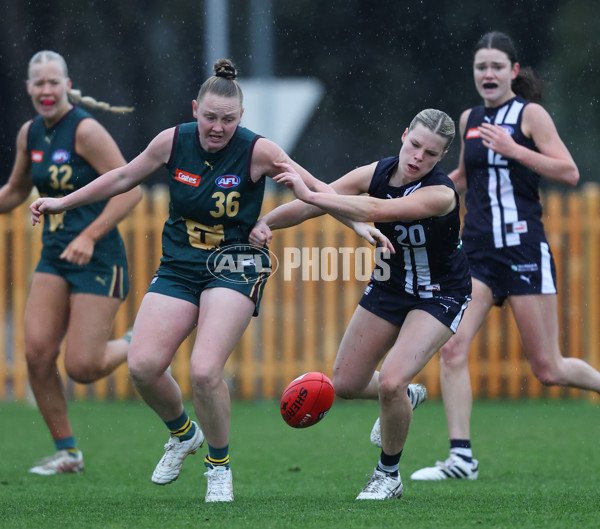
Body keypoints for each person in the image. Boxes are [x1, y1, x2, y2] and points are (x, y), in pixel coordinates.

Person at [30, 58, 389, 502]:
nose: (217, 128)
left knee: (203, 370)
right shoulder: (172, 142)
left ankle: (218, 466)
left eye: (228, 120)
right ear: (195, 108)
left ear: (241, 118)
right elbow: (122, 177)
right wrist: (62, 202)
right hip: (179, 267)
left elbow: (317, 189)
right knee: (142, 366)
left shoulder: (259, 151)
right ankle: (183, 434)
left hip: (235, 267)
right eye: (210, 117)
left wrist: (357, 225)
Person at [400, 31, 600, 481]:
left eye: (495, 66)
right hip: (477, 252)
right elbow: (462, 176)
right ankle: (461, 458)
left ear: (512, 71)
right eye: (479, 67)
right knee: (452, 346)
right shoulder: (468, 117)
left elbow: (569, 171)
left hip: (524, 249)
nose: (487, 74)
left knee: (548, 369)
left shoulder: (531, 115)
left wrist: (515, 150)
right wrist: (415, 196)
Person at [250, 109, 472, 500]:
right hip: (390, 286)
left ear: (442, 158)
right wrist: (266, 222)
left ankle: (388, 475)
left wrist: (307, 190)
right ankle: (408, 396)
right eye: (415, 144)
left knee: (390, 380)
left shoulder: (440, 194)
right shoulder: (377, 173)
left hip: (440, 293)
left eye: (431, 153)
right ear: (404, 135)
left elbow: (375, 211)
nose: (418, 156)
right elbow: (315, 206)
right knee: (348, 384)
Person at [1, 50, 142, 475]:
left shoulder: (86, 130)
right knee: (38, 354)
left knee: (82, 367)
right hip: (55, 256)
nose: (45, 90)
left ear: (67, 85)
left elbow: (130, 190)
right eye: (38, 83)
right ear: (28, 88)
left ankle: (140, 342)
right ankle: (68, 453)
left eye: (52, 82)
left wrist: (89, 234)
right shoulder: (30, 134)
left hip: (99, 255)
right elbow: (14, 191)